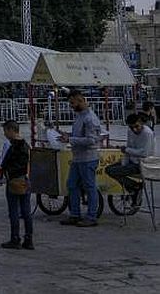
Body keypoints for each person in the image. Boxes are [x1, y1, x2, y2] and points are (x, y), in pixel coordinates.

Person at [58, 89, 102, 227]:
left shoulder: (90, 118)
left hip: (88, 158)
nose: (71, 105)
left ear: (80, 100)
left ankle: (91, 216)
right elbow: (79, 135)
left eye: (72, 102)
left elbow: (91, 140)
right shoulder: (79, 116)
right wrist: (68, 136)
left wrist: (71, 139)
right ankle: (75, 214)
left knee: (89, 187)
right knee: (72, 185)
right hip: (77, 158)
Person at [0, 120, 33, 250]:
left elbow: (4, 162)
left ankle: (15, 238)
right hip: (25, 179)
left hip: (14, 180)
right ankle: (29, 239)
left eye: (5, 131)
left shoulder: (12, 146)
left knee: (14, 211)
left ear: (11, 130)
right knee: (26, 211)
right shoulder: (26, 145)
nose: (5, 134)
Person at [106, 112, 155, 198]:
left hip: (143, 164)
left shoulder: (147, 133)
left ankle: (135, 187)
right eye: (132, 127)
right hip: (132, 161)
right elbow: (129, 147)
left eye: (136, 126)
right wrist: (124, 162)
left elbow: (144, 153)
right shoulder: (130, 131)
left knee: (113, 171)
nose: (134, 130)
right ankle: (134, 187)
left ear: (141, 123)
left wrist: (127, 150)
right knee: (108, 169)